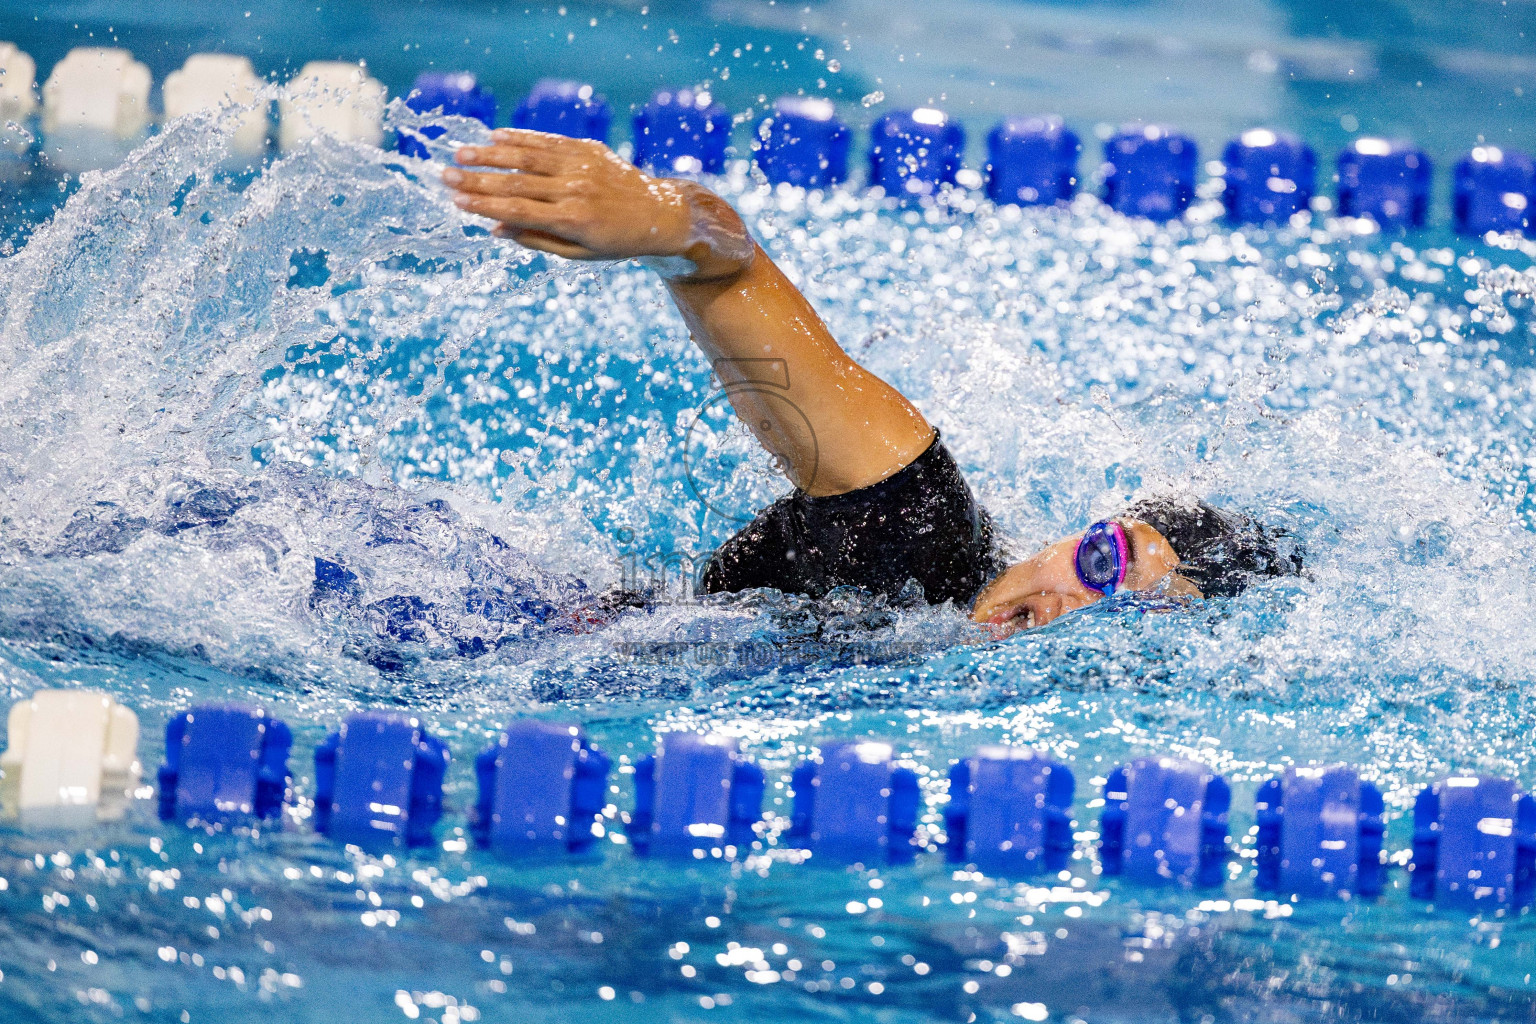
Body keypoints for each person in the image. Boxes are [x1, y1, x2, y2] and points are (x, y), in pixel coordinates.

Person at [442, 129, 1303, 637]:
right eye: (1101, 560)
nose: (1067, 603)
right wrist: (659, 217)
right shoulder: (920, 528)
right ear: (1073, 534)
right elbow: (728, 263)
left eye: (1118, 609)